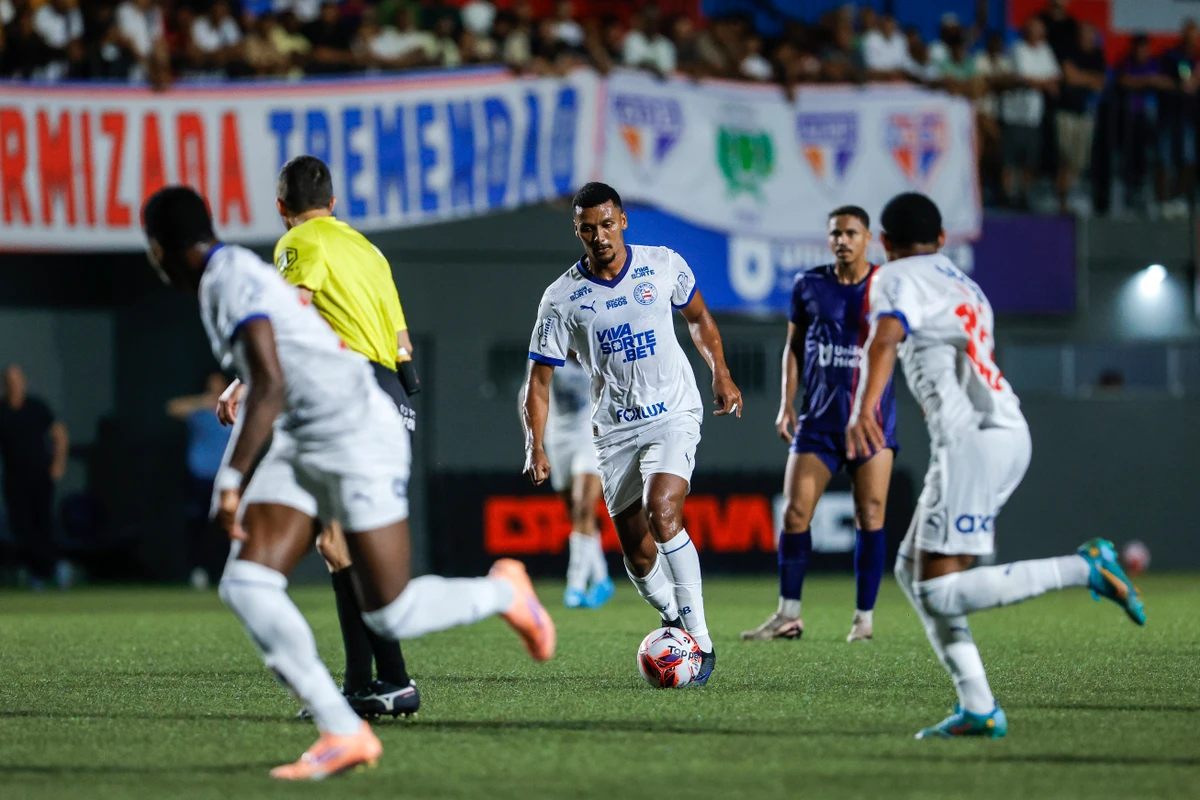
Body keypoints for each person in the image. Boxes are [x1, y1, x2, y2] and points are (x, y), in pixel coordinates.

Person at [142, 185, 554, 780]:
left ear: (159, 250)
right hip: (307, 436)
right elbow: (277, 368)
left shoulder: (229, 278)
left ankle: (504, 592)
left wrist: (229, 480)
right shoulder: (226, 276)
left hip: (359, 431)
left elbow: (270, 383)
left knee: (393, 614)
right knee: (248, 583)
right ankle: (343, 730)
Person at [846, 192, 1145, 739]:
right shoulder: (966, 285)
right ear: (941, 239)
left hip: (974, 443)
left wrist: (863, 407)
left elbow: (886, 336)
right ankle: (979, 706)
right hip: (1000, 433)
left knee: (938, 589)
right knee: (913, 571)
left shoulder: (893, 276)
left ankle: (1086, 569)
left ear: (884, 244)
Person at [219, 154, 422, 721]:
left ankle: (395, 680)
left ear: (282, 209)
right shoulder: (368, 250)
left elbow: (290, 312)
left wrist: (244, 381)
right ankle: (366, 683)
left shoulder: (299, 241)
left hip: (349, 394)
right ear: (334, 203)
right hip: (392, 393)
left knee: (340, 546)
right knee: (340, 547)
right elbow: (402, 340)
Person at [521, 182, 743, 687]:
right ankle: (670, 618)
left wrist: (721, 371)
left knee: (663, 511)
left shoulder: (662, 263)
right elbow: (538, 379)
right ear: (576, 230)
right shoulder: (561, 299)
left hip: (674, 413)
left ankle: (701, 643)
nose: (598, 235)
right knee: (638, 554)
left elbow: (700, 318)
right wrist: (535, 442)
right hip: (614, 431)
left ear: (622, 220)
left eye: (606, 223)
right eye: (587, 228)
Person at [741, 207, 895, 644]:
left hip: (872, 421)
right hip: (819, 422)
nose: (842, 240)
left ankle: (863, 620)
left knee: (870, 514)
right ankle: (788, 615)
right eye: (835, 233)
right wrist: (786, 404)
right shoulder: (808, 284)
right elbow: (792, 347)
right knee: (794, 514)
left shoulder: (886, 286)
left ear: (869, 238)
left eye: (851, 233)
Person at [541, 359, 613, 608]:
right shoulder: (549, 351)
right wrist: (533, 445)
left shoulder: (596, 352)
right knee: (576, 515)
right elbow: (529, 395)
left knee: (584, 506)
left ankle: (575, 584)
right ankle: (602, 578)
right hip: (556, 439)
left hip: (589, 435)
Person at [0, 365, 69, 589]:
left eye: (18, 380)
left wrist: (58, 463)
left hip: (39, 476)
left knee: (43, 524)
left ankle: (49, 569)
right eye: (9, 381)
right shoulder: (2, 410)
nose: (14, 385)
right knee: (21, 525)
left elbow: (59, 433)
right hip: (14, 478)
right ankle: (37, 569)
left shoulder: (36, 407)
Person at [166, 371, 232, 589]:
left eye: (219, 385)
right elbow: (172, 407)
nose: (215, 390)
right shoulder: (200, 410)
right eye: (211, 386)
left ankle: (228, 572)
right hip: (200, 477)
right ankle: (198, 570)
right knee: (198, 525)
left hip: (226, 480)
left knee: (227, 526)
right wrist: (203, 402)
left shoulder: (234, 408)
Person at [1002, 18, 1060, 209]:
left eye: (1041, 31)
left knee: (1029, 160)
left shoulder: (1046, 51)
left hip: (1033, 116)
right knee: (1010, 161)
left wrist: (1039, 82)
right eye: (1035, 31)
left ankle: (1024, 197)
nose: (1039, 35)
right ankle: (1008, 197)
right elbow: (1024, 78)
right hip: (1014, 114)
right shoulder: (1018, 49)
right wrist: (1041, 83)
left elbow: (1055, 79)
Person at [1056, 22, 1106, 214]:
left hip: (1085, 114)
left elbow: (1100, 82)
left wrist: (1080, 76)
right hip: (1066, 113)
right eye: (1085, 36)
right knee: (1065, 157)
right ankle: (1061, 199)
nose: (1088, 40)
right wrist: (1088, 79)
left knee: (1079, 159)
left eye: (1091, 36)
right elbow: (1069, 77)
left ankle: (1072, 195)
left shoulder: (1097, 55)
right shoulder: (1069, 51)